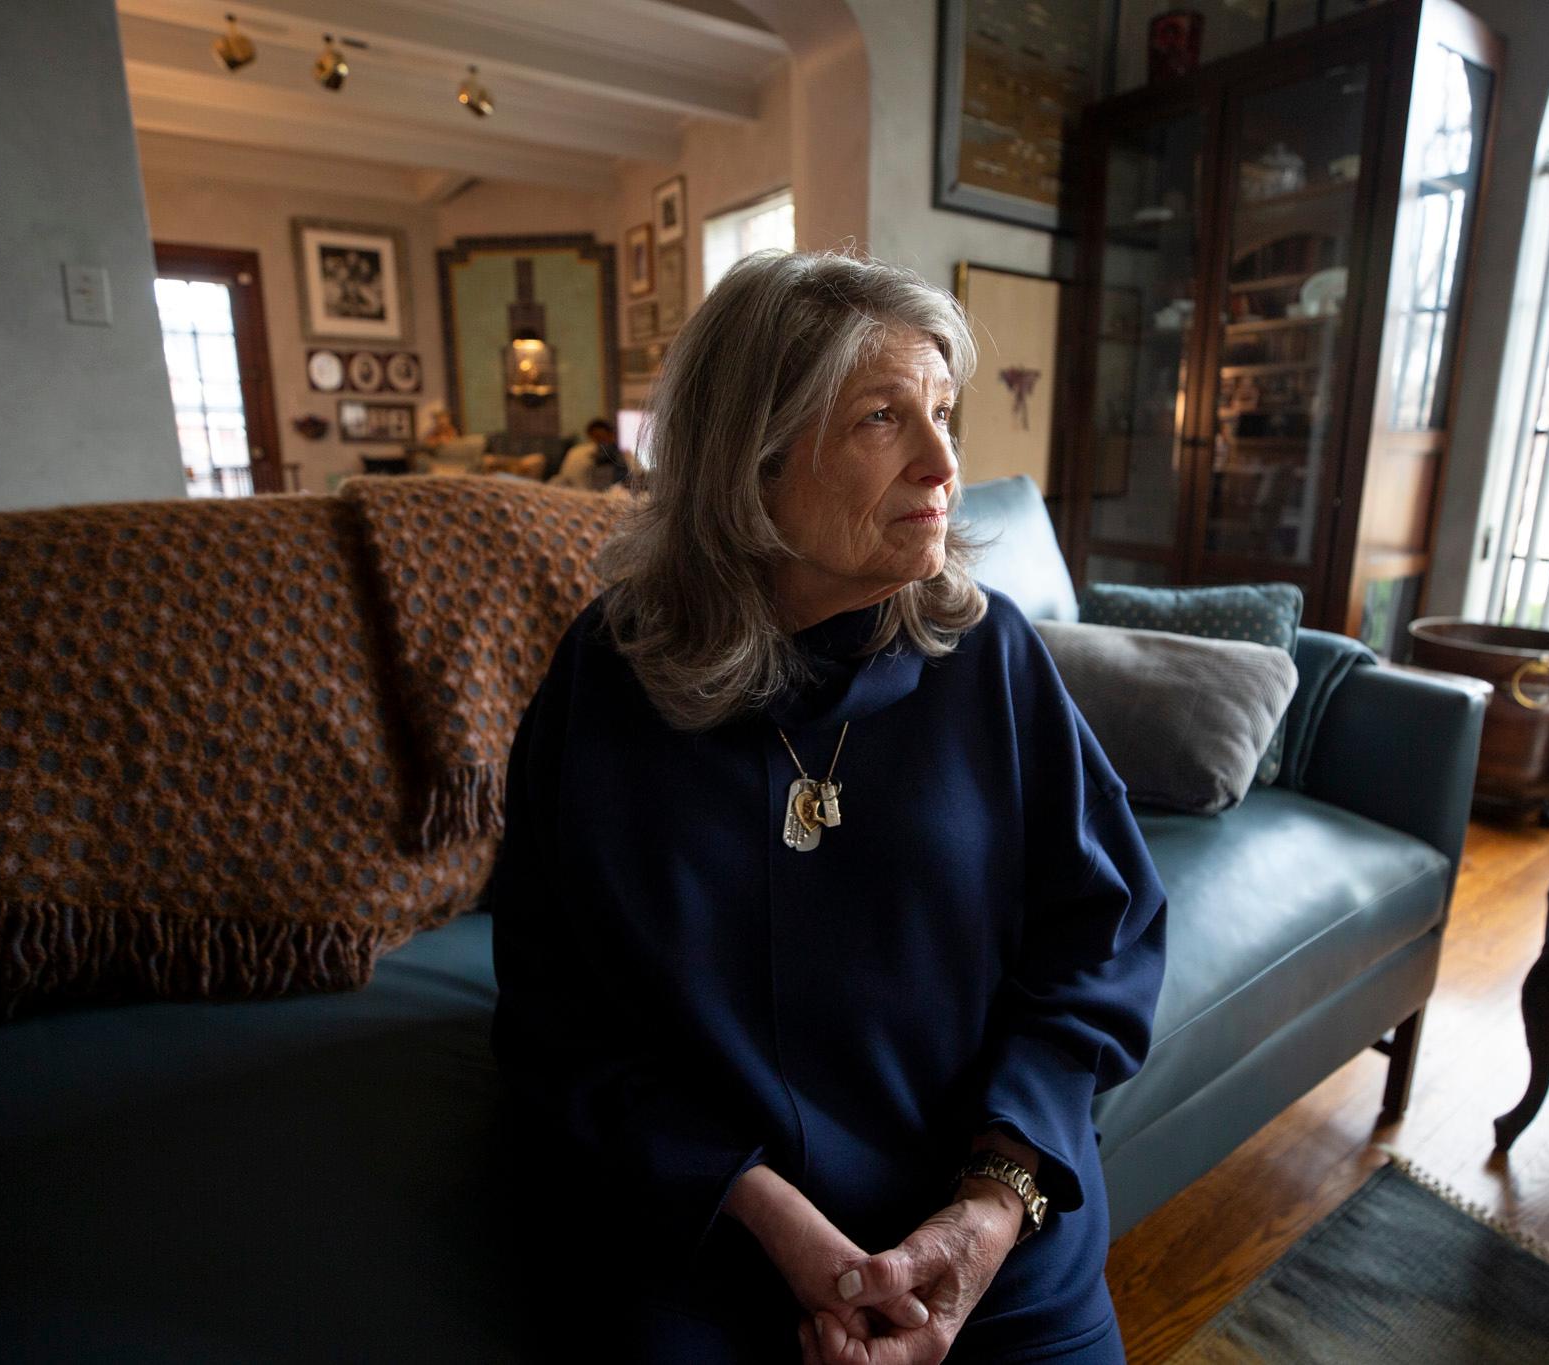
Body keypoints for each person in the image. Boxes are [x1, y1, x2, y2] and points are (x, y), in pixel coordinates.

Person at [488, 250, 1166, 1363]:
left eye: (941, 412)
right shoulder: (609, 677)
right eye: (879, 420)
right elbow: (556, 1018)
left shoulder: (987, 653)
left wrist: (989, 1206)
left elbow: (1100, 941)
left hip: (993, 1227)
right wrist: (756, 1206)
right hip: (705, 1231)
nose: (944, 464)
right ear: (749, 461)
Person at [551, 417, 635, 492]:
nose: (600, 442)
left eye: (602, 437)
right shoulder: (579, 452)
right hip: (586, 493)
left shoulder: (621, 454)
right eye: (597, 437)